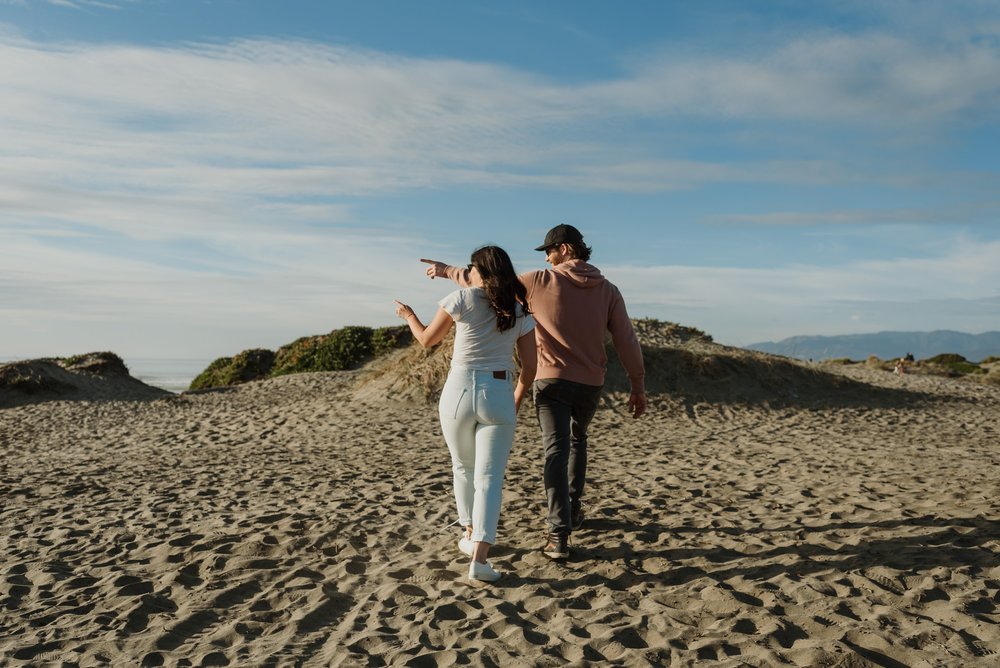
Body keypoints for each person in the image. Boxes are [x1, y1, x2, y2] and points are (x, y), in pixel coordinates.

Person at [421, 224, 646, 561]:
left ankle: (558, 535)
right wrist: (637, 384)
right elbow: (626, 339)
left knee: (555, 450)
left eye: (550, 252)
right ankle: (573, 507)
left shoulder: (540, 281)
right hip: (590, 383)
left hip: (550, 380)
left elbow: (487, 283)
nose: (548, 258)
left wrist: (446, 272)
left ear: (565, 250)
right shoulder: (609, 290)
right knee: (577, 440)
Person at [395, 245, 536, 583]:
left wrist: (408, 316)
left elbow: (428, 340)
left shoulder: (461, 300)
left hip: (458, 391)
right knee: (490, 478)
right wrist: (514, 399)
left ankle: (469, 530)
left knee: (463, 467)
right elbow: (530, 368)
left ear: (480, 271)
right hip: (499, 393)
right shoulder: (518, 311)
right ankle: (480, 557)